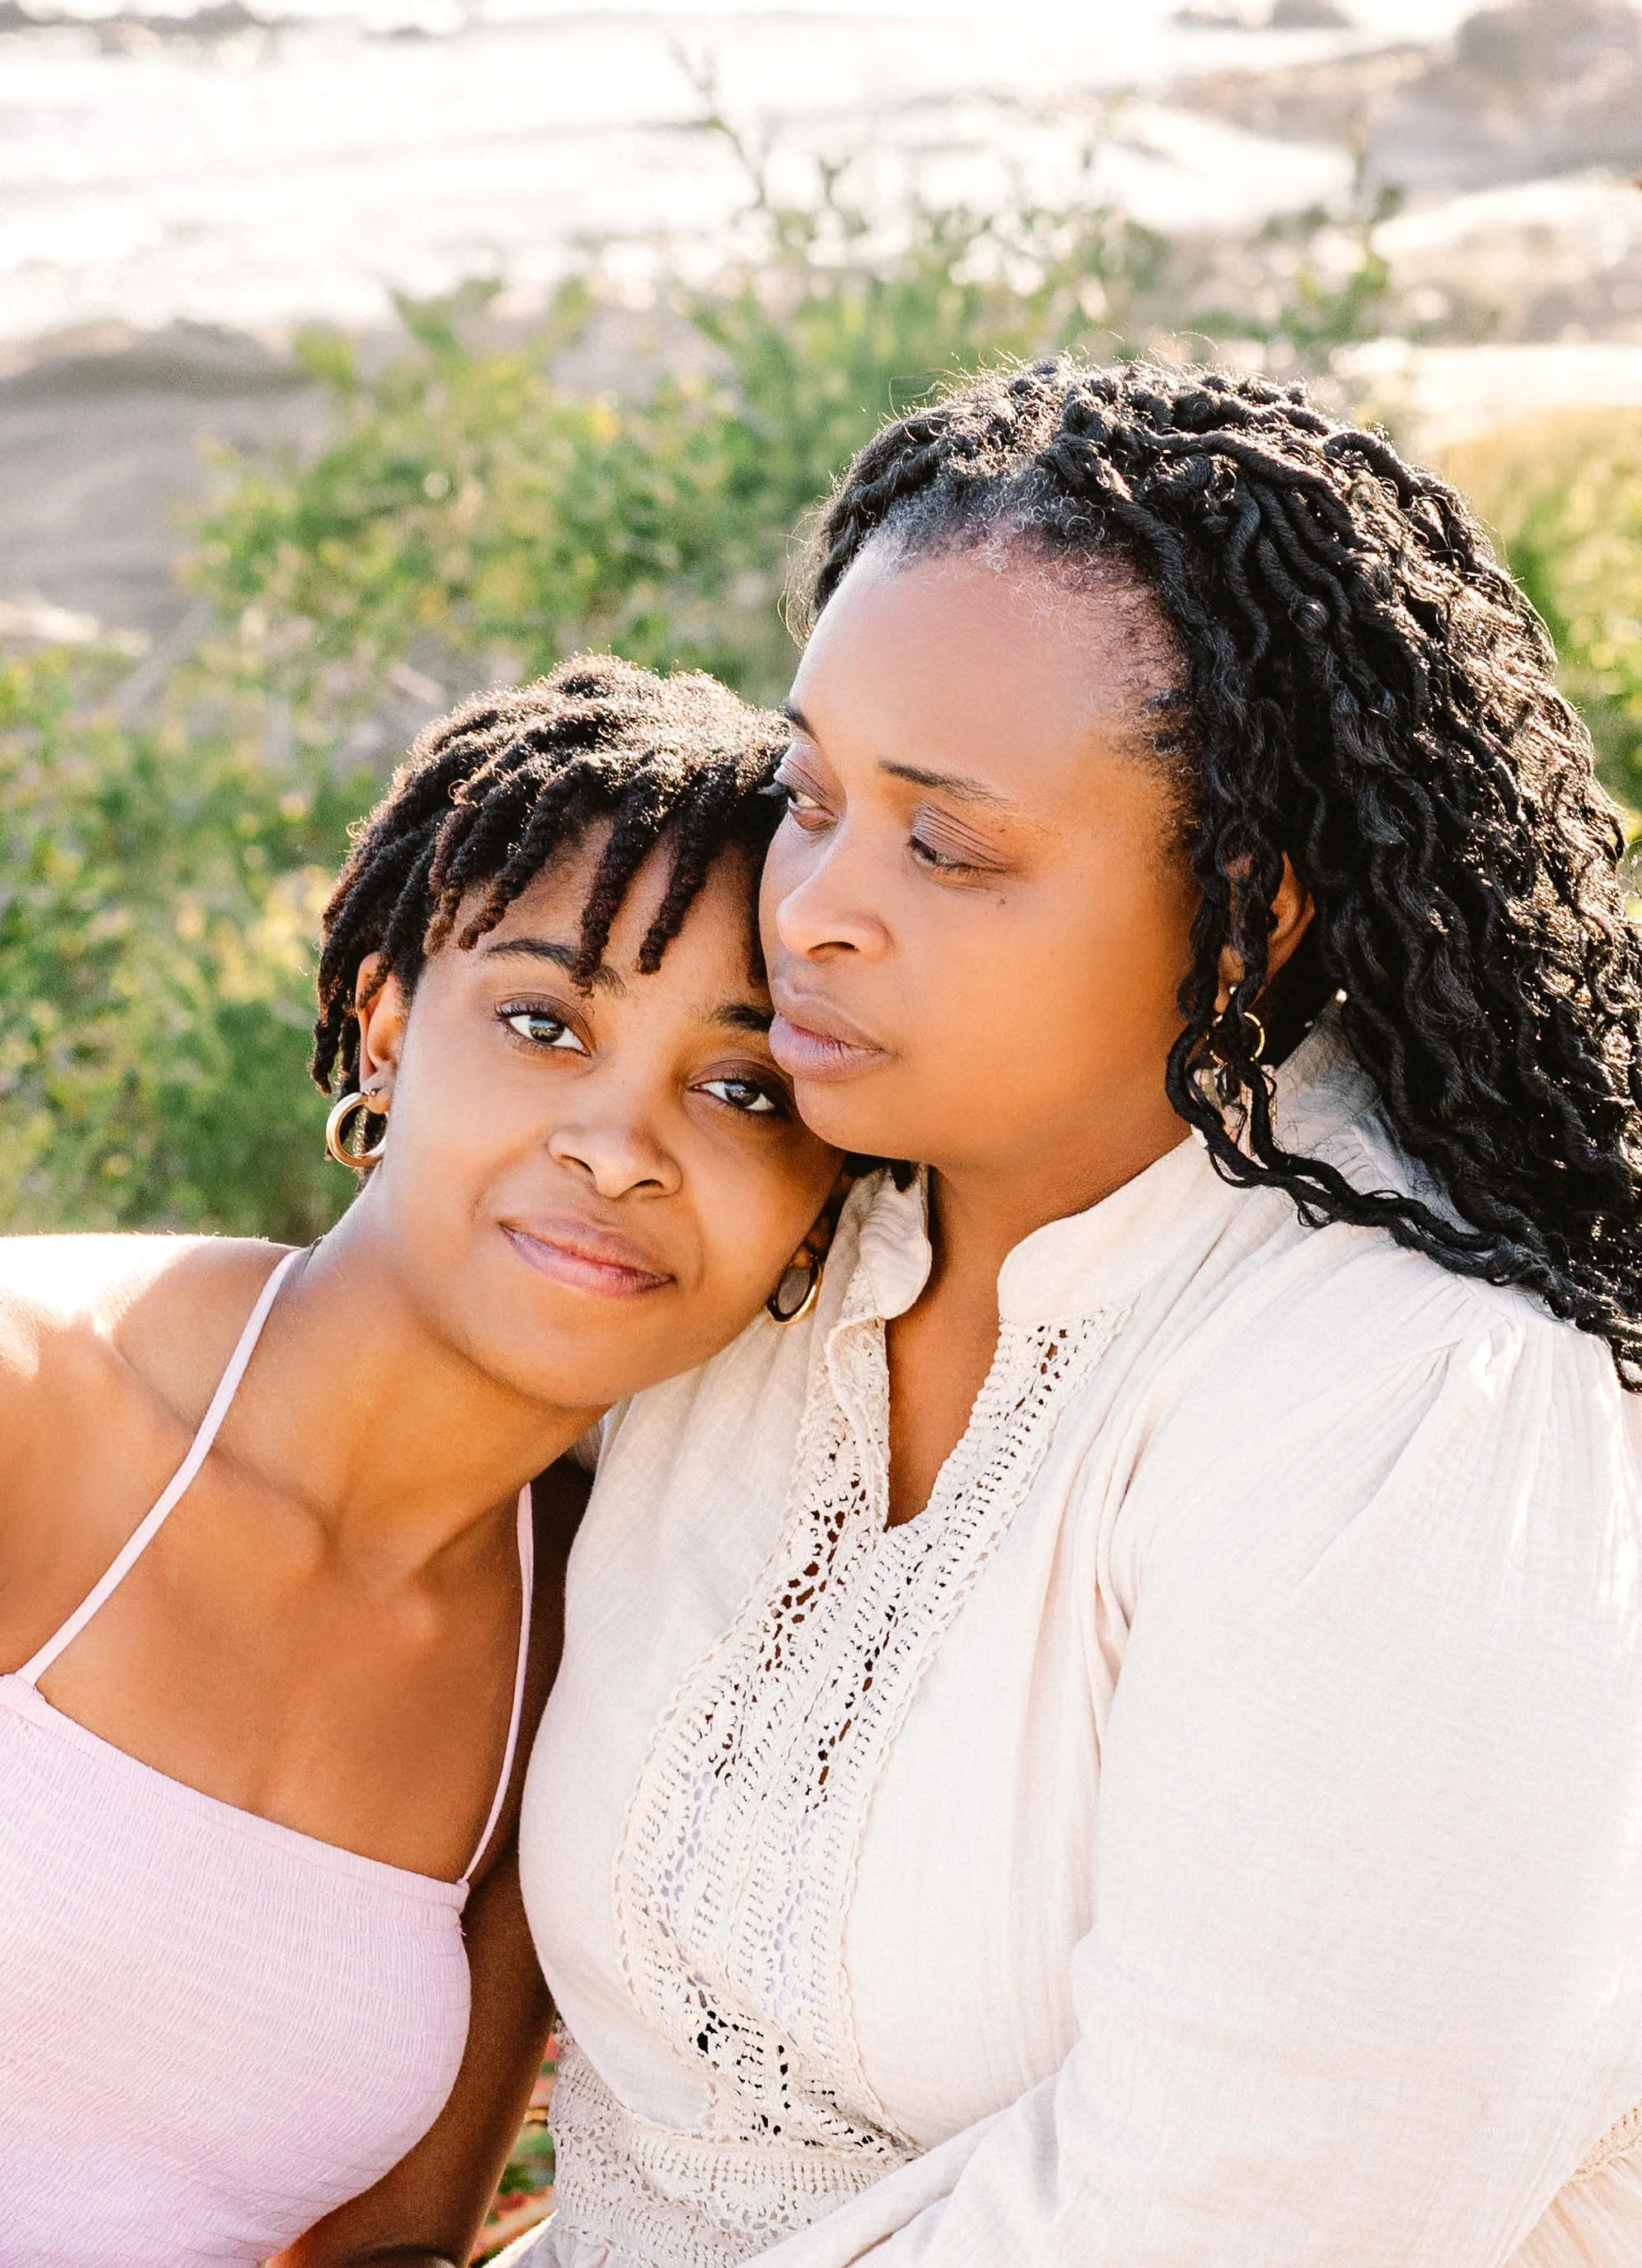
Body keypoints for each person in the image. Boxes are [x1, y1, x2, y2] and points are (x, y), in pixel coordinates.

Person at [508, 365, 1642, 2268]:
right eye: (810, 797)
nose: (815, 910)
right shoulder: (766, 1242)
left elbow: (1237, 2215)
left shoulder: (1416, 1404)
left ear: (1248, 907)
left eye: (946, 847)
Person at [0, 656, 841, 2268]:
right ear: (385, 1023)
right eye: (544, 1020)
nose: (617, 1143)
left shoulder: (598, 1643)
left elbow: (387, 2250)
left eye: (741, 1087)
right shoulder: (34, 1404)